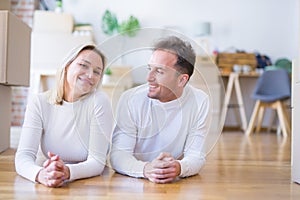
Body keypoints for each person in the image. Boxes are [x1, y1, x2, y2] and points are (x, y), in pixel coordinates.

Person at [110, 36, 210, 183]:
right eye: (149, 68)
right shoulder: (130, 99)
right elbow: (118, 155)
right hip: (134, 183)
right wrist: (146, 169)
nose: (149, 77)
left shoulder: (200, 101)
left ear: (182, 80)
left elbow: (196, 156)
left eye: (159, 71)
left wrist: (178, 167)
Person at [15, 44, 113, 187]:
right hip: (50, 179)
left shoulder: (99, 101)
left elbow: (97, 162)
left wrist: (66, 171)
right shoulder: (39, 102)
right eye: (84, 65)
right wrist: (41, 175)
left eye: (97, 72)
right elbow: (23, 157)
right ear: (67, 66)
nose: (91, 75)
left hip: (90, 185)